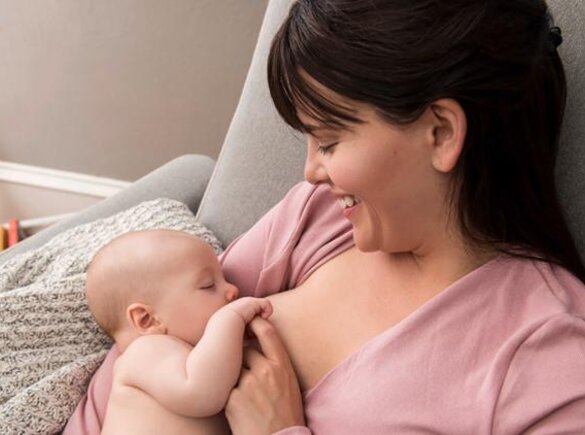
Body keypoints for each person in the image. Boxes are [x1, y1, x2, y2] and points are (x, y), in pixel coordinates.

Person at [66, 0, 585, 433]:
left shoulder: (545, 354)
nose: (311, 171)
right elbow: (153, 326)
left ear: (441, 132)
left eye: (330, 140)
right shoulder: (322, 218)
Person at [84, 229, 272, 435]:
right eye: (208, 285)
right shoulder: (145, 352)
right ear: (147, 319)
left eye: (224, 278)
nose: (233, 289)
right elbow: (201, 393)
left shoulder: (189, 354)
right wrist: (230, 318)